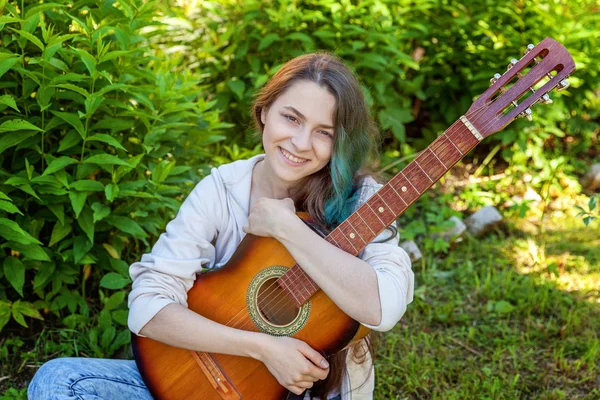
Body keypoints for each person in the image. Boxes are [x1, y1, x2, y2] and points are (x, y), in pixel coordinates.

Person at [28, 52, 414, 400]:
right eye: (291, 118)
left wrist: (287, 228)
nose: (300, 142)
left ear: (340, 143)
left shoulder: (363, 200)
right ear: (264, 112)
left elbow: (385, 308)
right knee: (58, 380)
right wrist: (262, 348)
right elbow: (147, 305)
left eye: (324, 132)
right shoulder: (223, 188)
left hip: (301, 394)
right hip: (202, 380)